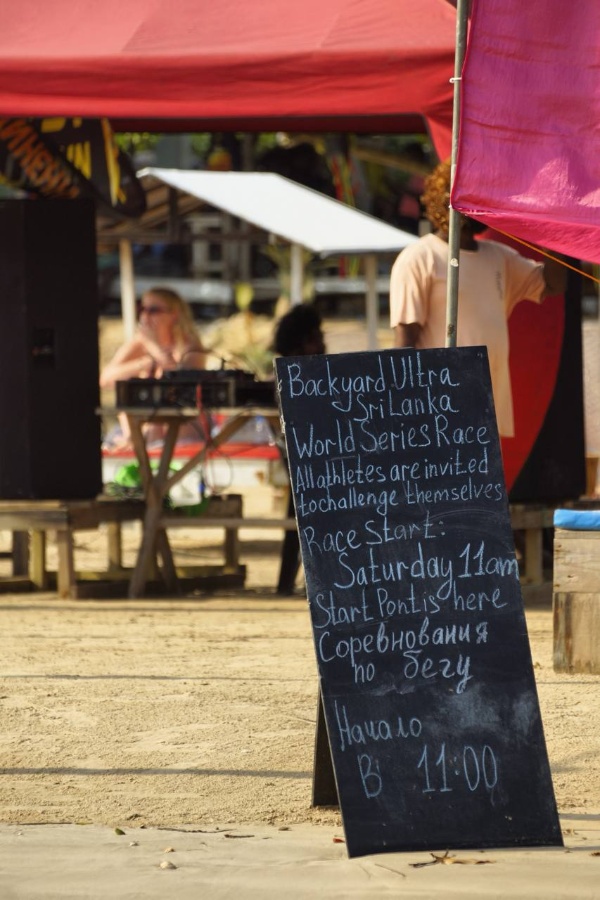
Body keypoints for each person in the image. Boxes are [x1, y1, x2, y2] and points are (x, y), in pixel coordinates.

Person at [389, 160, 566, 438]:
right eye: (454, 195)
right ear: (438, 199)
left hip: (487, 409)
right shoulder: (418, 258)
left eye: (473, 195)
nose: (462, 203)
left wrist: (551, 228)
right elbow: (404, 344)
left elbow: (554, 284)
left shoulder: (500, 257)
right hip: (439, 413)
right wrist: (405, 416)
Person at [100, 287, 206, 448]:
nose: (145, 315)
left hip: (180, 437)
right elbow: (106, 379)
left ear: (174, 314)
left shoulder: (189, 346)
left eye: (154, 310)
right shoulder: (141, 343)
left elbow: (179, 382)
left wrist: (156, 349)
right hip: (141, 433)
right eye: (142, 309)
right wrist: (145, 363)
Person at [272, 304, 326, 595]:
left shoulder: (319, 370)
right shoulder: (290, 376)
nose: (321, 343)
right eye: (314, 337)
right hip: (308, 461)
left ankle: (286, 583)